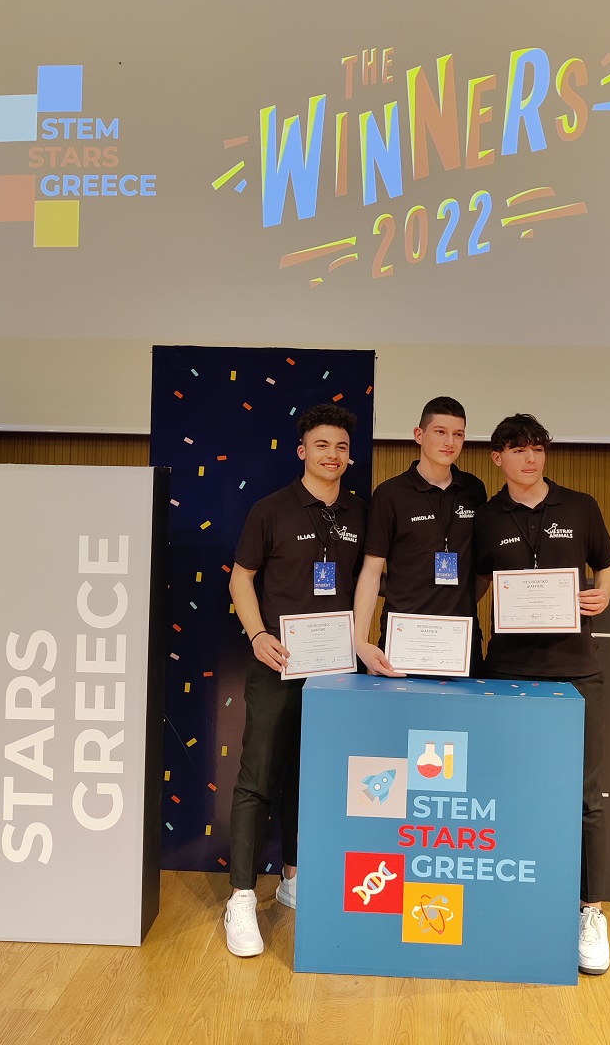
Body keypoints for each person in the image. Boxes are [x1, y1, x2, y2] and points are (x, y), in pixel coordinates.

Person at [474, 413, 610, 975]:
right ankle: (515, 902)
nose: (530, 459)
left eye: (537, 449)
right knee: (508, 790)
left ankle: (590, 911)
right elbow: (474, 584)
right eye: (518, 450)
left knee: (585, 796)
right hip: (507, 670)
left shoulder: (580, 506)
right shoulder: (485, 518)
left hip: (577, 669)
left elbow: (607, 569)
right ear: (498, 459)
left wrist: (602, 596)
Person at [225, 404, 367, 956]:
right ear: (302, 450)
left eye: (341, 447)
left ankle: (293, 878)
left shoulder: (361, 511)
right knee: (257, 777)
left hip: (337, 672)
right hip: (278, 665)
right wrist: (258, 635)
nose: (332, 455)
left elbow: (368, 583)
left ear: (349, 455)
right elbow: (242, 579)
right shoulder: (271, 510)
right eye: (322, 445)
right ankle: (240, 898)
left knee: (313, 779)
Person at [354, 397, 486, 676]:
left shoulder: (474, 490)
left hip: (460, 640)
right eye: (440, 431)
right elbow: (371, 573)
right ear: (419, 435)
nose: (449, 441)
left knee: (461, 720)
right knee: (400, 720)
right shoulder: (390, 494)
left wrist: (462, 603)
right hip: (404, 639)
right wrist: (359, 641)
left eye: (458, 434)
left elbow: (482, 567)